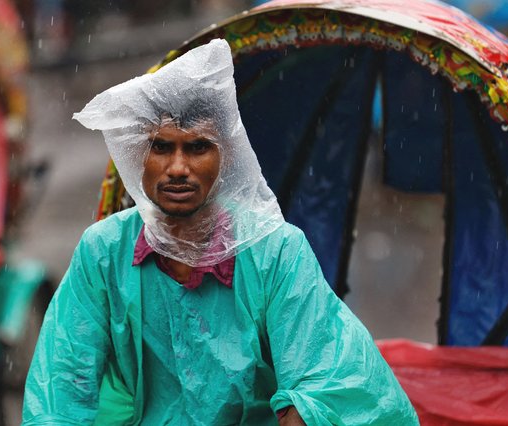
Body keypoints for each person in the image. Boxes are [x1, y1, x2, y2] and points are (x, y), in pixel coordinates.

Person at [22, 39, 418, 425]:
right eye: (161, 147)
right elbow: (62, 387)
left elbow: (317, 385)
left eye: (197, 148)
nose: (178, 167)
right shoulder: (104, 251)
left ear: (225, 154)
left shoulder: (276, 251)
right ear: (138, 155)